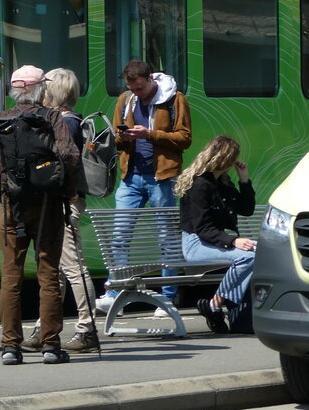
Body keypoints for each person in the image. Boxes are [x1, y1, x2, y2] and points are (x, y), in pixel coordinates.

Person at [0, 65, 80, 365]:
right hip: (46, 205)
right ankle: (51, 346)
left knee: (11, 277)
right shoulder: (51, 117)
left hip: (10, 207)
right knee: (48, 274)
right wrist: (69, 191)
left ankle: (9, 347)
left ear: (15, 90)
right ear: (40, 89)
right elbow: (69, 156)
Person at [99, 60, 192, 314]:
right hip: (131, 177)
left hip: (162, 177)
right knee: (120, 237)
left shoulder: (174, 99)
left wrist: (149, 134)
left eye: (140, 88)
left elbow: (185, 138)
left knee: (166, 238)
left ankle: (168, 296)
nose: (137, 94)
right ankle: (115, 291)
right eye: (133, 89)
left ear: (150, 78)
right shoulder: (125, 99)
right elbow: (117, 139)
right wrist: (124, 136)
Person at [19, 68, 100, 353]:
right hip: (61, 202)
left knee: (72, 267)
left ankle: (87, 329)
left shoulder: (66, 124)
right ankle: (46, 327)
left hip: (65, 203)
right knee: (55, 269)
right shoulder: (67, 120)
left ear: (54, 91)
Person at [175, 134, 256, 334]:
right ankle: (216, 304)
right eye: (232, 159)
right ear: (224, 159)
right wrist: (233, 241)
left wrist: (244, 180)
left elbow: (246, 209)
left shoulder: (223, 182)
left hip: (214, 240)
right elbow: (202, 228)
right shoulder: (199, 185)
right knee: (248, 257)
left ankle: (222, 309)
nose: (232, 164)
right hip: (196, 244)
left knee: (261, 251)